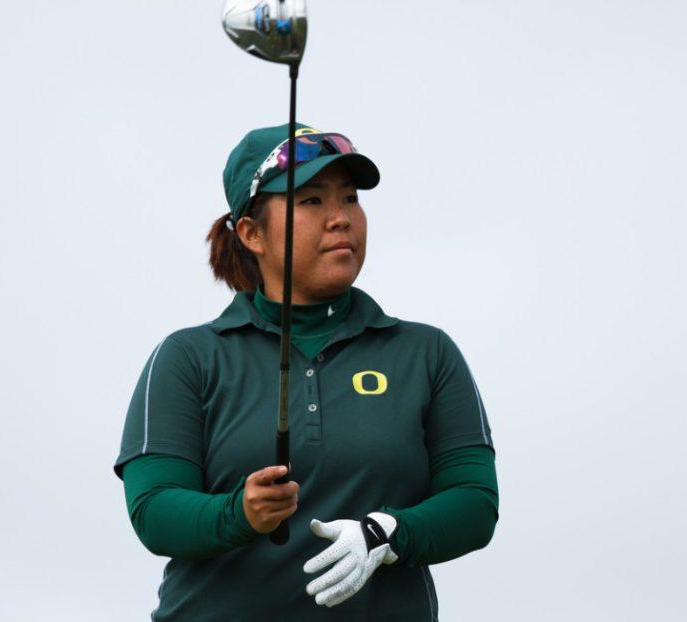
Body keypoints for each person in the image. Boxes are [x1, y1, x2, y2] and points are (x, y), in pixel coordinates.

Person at [112, 123, 499, 621]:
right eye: (312, 201)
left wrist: (386, 533)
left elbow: (474, 501)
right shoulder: (189, 356)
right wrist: (239, 513)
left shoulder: (426, 352)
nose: (341, 219)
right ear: (252, 233)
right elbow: (153, 510)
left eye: (351, 199)